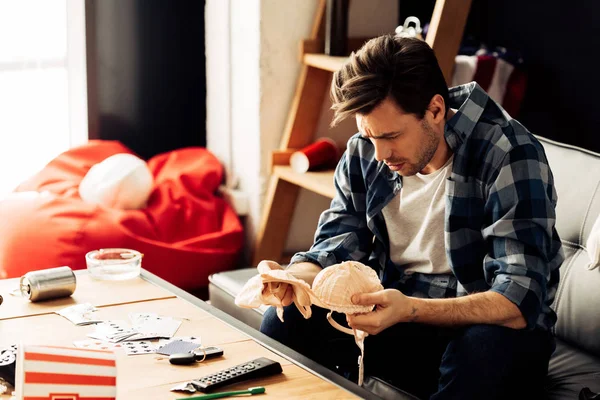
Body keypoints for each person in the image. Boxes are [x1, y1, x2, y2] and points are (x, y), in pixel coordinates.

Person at [259, 34, 564, 400]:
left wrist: (410, 310)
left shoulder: (509, 153)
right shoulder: (367, 150)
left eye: (391, 136)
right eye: (368, 135)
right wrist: (291, 279)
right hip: (399, 317)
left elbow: (517, 300)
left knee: (484, 347)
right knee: (289, 318)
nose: (380, 153)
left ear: (435, 110)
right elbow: (336, 246)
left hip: (486, 328)